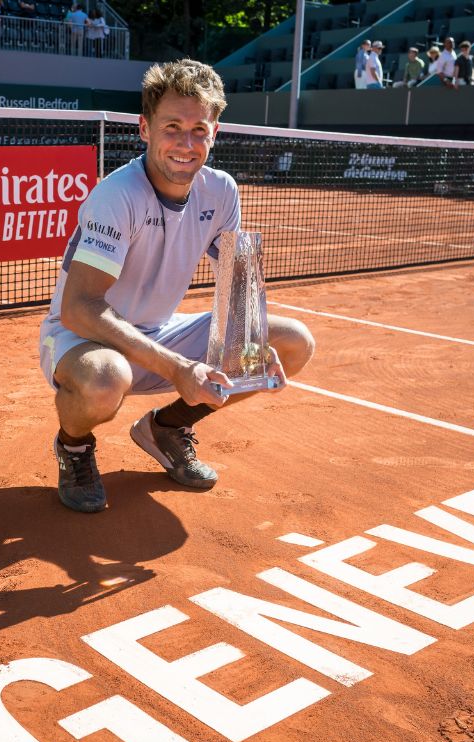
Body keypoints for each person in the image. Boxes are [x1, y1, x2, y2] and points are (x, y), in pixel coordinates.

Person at [39, 59, 315, 513]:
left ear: (215, 132)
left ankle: (166, 428)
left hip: (161, 332)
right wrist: (177, 369)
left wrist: (249, 349)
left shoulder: (222, 190)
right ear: (144, 128)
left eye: (199, 130)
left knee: (291, 343)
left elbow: (239, 287)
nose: (186, 144)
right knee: (107, 379)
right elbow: (80, 308)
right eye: (172, 127)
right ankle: (73, 447)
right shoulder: (117, 196)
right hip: (84, 341)